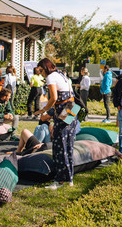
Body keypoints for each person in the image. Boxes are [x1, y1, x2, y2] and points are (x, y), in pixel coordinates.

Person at [35, 58, 79, 189]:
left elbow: (54, 98)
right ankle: (70, 178)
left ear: (45, 68)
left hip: (63, 110)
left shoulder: (50, 77)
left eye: (41, 70)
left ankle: (59, 180)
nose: (41, 73)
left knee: (59, 145)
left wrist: (44, 110)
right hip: (72, 107)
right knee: (68, 144)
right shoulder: (61, 74)